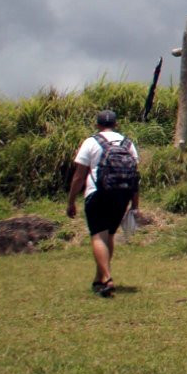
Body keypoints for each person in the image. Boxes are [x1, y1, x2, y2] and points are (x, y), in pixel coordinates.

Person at [66, 109, 139, 297]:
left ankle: (107, 278)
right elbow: (134, 176)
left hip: (97, 194)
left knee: (98, 236)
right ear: (116, 124)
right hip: (122, 195)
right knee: (109, 235)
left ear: (98, 124)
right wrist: (135, 204)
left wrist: (71, 201)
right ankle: (99, 279)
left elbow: (79, 175)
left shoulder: (91, 142)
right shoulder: (127, 143)